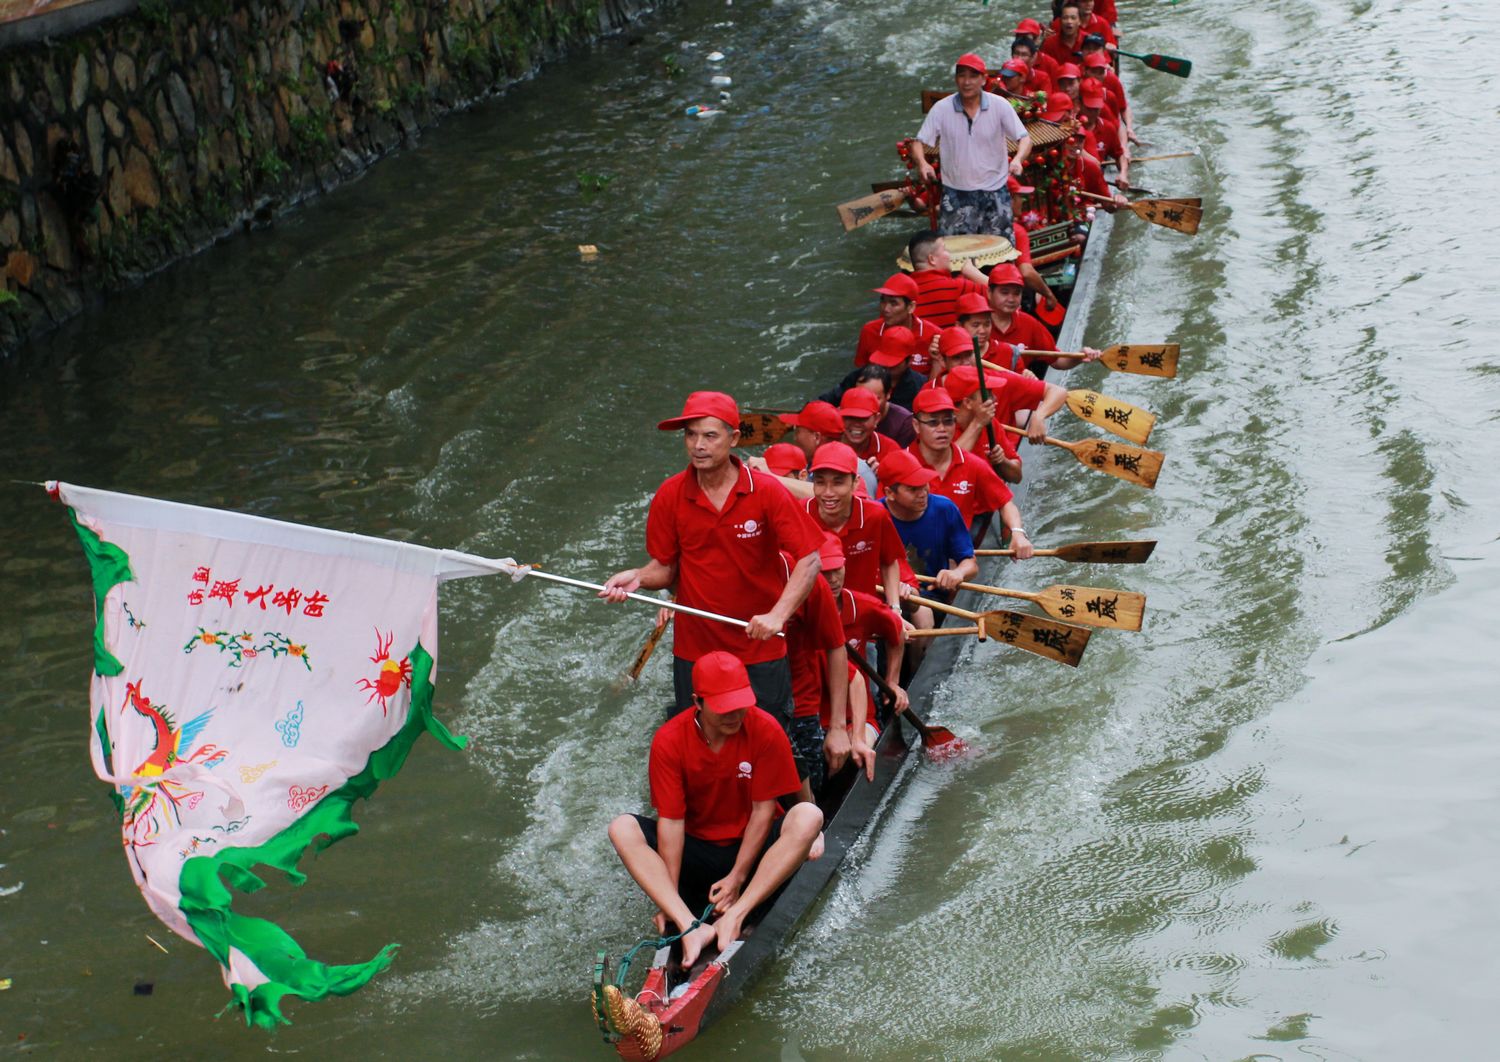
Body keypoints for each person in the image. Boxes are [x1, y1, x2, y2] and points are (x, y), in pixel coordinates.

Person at [601, 391, 825, 722]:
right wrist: (638, 577)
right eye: (691, 435)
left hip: (759, 645)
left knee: (765, 738)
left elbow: (810, 559)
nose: (698, 445)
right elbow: (665, 568)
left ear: (733, 438)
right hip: (695, 650)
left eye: (709, 436)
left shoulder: (767, 492)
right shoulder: (670, 494)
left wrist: (778, 615)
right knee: (699, 737)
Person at [606, 652, 824, 969]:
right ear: (698, 702)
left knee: (809, 816)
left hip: (752, 849)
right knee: (621, 827)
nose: (735, 715)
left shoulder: (766, 729)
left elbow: (763, 813)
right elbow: (671, 824)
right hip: (697, 849)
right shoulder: (669, 740)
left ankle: (737, 915)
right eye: (724, 708)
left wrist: (737, 878)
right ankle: (689, 925)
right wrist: (669, 897)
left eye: (740, 705)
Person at [911, 53, 1033, 238]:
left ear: (984, 79)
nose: (967, 82)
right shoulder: (941, 109)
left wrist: (1017, 159)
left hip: (994, 191)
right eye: (962, 76)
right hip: (955, 193)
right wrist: (922, 163)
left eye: (973, 76)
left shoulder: (1000, 105)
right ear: (956, 79)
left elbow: (1025, 139)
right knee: (955, 250)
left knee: (1001, 249)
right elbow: (918, 142)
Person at [907, 388, 1031, 548]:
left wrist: (1018, 533)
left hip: (958, 551)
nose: (942, 429)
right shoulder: (900, 464)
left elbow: (1005, 502)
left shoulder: (974, 464)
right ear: (916, 426)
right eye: (933, 423)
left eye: (948, 421)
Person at [776, 537, 850, 799]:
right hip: (748, 705)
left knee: (809, 790)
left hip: (800, 704)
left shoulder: (808, 578)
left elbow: (836, 647)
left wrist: (838, 728)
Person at [803, 442, 907, 612]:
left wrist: (895, 608)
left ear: (855, 483)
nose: (828, 493)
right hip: (812, 614)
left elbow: (889, 562)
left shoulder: (875, 515)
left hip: (862, 615)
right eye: (820, 482)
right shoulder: (799, 515)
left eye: (838, 483)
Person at [944, 362, 1068, 484]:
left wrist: (1002, 461)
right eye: (988, 394)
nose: (995, 398)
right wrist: (977, 424)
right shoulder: (940, 428)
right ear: (967, 403)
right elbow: (947, 469)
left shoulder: (991, 424)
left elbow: (1017, 477)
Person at [906, 229, 1008, 328]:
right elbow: (1003, 297)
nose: (949, 254)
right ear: (932, 259)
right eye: (945, 249)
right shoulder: (957, 287)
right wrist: (973, 273)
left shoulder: (904, 294)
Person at [855, 273, 941, 376]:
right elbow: (861, 374)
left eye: (893, 303)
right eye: (883, 301)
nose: (885, 309)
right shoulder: (869, 331)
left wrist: (937, 360)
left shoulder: (934, 337)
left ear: (911, 307)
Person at [838, 387, 902, 468]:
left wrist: (882, 474)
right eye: (850, 417)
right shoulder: (827, 443)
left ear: (876, 419)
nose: (856, 424)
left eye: (863, 418)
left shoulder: (890, 450)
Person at [1041, 2, 1088, 69]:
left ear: (1080, 21)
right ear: (1060, 21)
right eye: (1065, 18)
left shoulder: (1088, 40)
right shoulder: (1050, 43)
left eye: (1073, 18)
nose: (1069, 21)